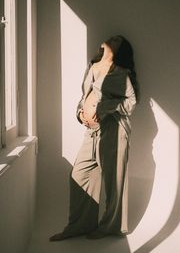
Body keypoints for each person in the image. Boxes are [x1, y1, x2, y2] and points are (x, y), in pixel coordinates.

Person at [50, 35, 138, 241]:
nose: (111, 38)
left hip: (114, 130)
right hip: (91, 131)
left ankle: (110, 227)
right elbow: (85, 96)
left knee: (113, 182)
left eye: (116, 40)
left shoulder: (121, 73)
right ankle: (80, 225)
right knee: (79, 174)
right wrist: (80, 113)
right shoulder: (93, 66)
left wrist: (106, 108)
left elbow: (132, 103)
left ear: (119, 50)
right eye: (111, 37)